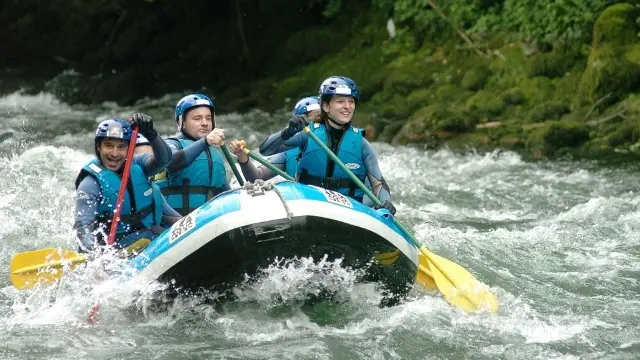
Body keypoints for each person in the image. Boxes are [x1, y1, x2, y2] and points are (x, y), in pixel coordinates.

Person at [236, 76, 396, 215]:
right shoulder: (306, 136)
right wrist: (288, 131)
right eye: (340, 101)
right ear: (326, 106)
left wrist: (385, 206)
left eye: (351, 101)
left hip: (350, 212)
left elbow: (378, 184)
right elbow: (265, 150)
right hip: (309, 207)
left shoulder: (362, 145)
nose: (347, 106)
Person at [73, 115, 181, 254]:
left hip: (150, 235)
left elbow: (164, 160)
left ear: (129, 149)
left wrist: (151, 134)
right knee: (148, 237)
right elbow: (82, 228)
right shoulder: (90, 184)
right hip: (116, 251)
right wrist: (96, 258)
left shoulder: (139, 165)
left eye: (121, 147)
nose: (115, 153)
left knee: (153, 234)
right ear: (98, 147)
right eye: (109, 146)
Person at [154, 93, 230, 216]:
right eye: (197, 118)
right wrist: (205, 141)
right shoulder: (171, 144)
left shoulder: (216, 155)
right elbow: (171, 163)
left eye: (208, 118)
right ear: (182, 122)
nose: (205, 123)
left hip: (208, 223)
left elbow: (227, 195)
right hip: (173, 225)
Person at [228, 96, 321, 181]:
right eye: (306, 121)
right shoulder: (289, 153)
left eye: (317, 120)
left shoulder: (330, 143)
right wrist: (242, 157)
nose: (313, 127)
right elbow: (257, 177)